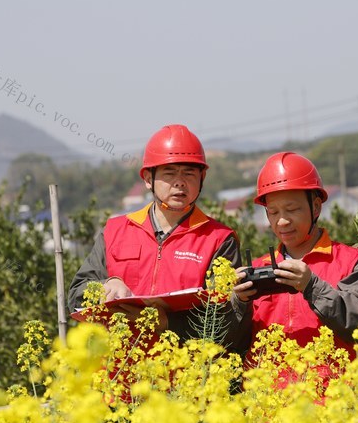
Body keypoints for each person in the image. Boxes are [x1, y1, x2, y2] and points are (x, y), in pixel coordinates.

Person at [67, 124, 240, 340]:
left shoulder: (220, 239)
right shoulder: (114, 231)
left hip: (185, 371)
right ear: (148, 179)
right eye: (169, 173)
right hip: (119, 369)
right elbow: (75, 295)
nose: (180, 182)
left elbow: (231, 320)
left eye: (189, 173)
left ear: (202, 177)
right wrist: (106, 286)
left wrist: (168, 323)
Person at [229, 152, 358, 367]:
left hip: (335, 397)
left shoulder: (353, 262)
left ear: (316, 207)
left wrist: (312, 287)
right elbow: (233, 344)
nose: (282, 221)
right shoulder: (257, 269)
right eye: (273, 212)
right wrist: (239, 304)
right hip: (268, 398)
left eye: (292, 209)